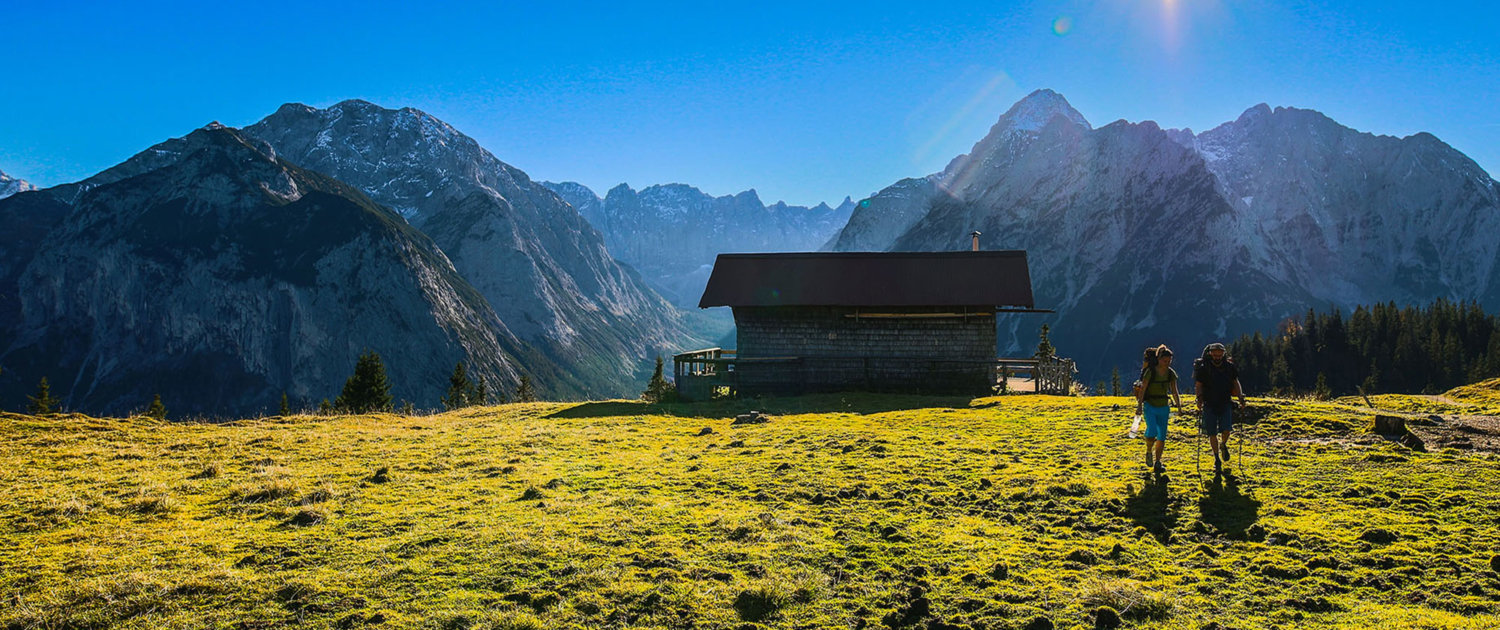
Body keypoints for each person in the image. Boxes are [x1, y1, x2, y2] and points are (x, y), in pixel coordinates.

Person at [1194, 342, 1247, 473]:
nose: (1217, 357)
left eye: (1219, 355)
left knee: (1226, 430)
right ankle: (1217, 458)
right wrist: (1199, 399)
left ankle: (1223, 445)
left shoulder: (1229, 367)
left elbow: (1235, 382)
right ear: (1211, 354)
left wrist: (1240, 396)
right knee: (1212, 433)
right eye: (1215, 355)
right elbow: (1199, 385)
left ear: (1223, 354)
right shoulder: (1204, 368)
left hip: (1225, 403)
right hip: (1209, 403)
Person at [1134, 345, 1182, 474]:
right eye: (1165, 361)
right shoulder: (1151, 372)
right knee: (1152, 430)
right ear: (1159, 359)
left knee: (1162, 435)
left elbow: (1174, 391)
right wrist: (1139, 406)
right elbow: (1143, 389)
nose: (1167, 364)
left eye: (1169, 361)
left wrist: (1179, 407)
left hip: (1163, 407)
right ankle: (1149, 451)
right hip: (1150, 406)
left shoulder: (1171, 373)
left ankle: (1158, 462)